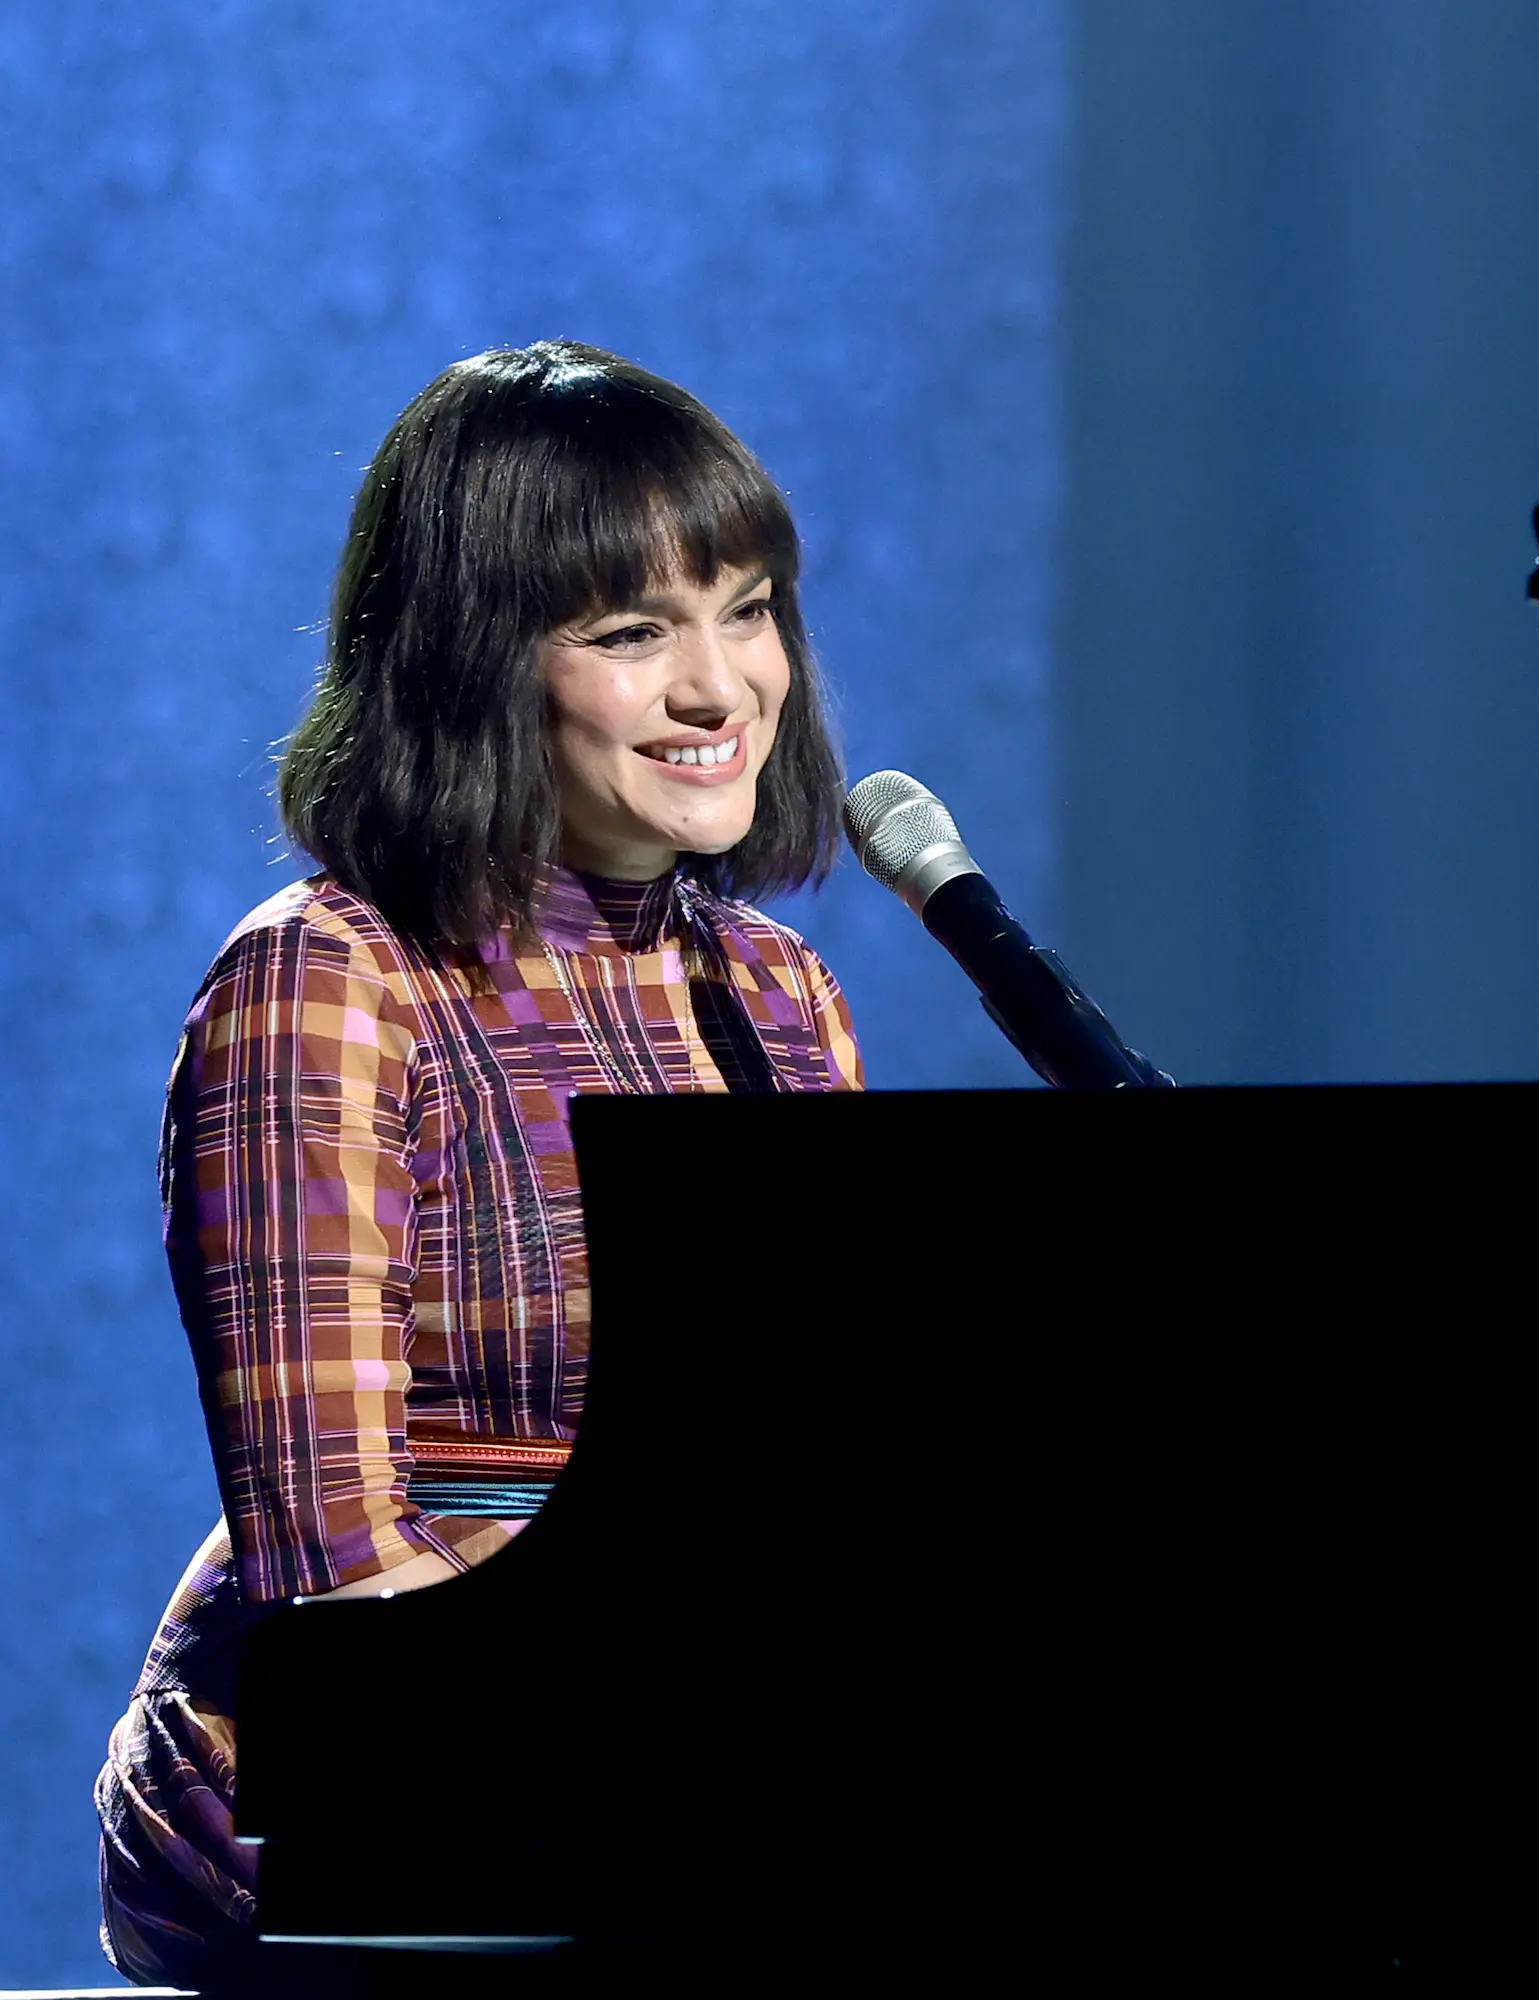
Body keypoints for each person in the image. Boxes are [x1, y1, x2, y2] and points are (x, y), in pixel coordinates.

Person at [93, 341, 863, 1985]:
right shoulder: (332, 979)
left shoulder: (780, 1001)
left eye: (749, 608)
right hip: (371, 1806)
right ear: (471, 665)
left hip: (678, 1782)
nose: (721, 687)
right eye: (630, 632)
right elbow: (344, 1560)